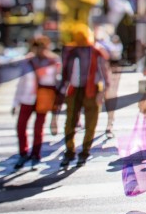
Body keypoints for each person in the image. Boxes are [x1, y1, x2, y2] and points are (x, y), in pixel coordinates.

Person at [60, 28, 109, 168]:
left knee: (91, 122)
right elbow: (65, 73)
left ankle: (85, 151)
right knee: (70, 121)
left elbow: (104, 74)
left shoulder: (96, 52)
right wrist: (62, 90)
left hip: (92, 89)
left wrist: (102, 93)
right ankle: (70, 150)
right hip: (74, 89)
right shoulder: (70, 52)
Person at [12, 36, 60, 169]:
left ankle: (35, 153)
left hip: (43, 98)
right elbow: (21, 83)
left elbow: (55, 82)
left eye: (42, 46)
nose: (40, 49)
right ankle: (23, 152)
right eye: (37, 46)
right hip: (27, 98)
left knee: (38, 127)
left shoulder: (53, 61)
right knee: (21, 125)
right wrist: (15, 102)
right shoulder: (27, 62)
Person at [96, 26, 124, 140]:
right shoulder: (93, 45)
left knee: (110, 99)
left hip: (109, 76)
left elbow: (116, 55)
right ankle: (95, 125)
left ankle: (109, 124)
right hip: (97, 78)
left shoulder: (110, 43)